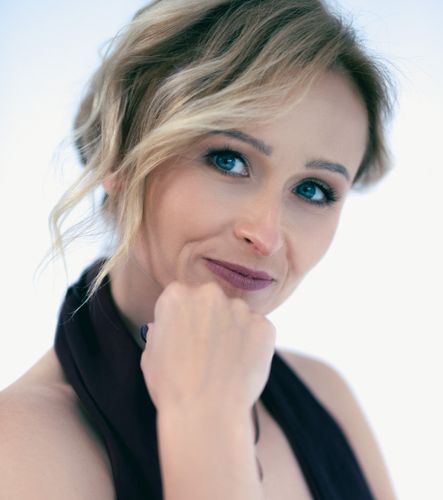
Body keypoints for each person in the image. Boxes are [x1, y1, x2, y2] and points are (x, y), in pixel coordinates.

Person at [0, 0, 397, 498]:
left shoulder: (326, 396)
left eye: (312, 190)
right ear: (119, 154)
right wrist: (206, 420)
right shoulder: (19, 446)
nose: (266, 234)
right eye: (228, 160)